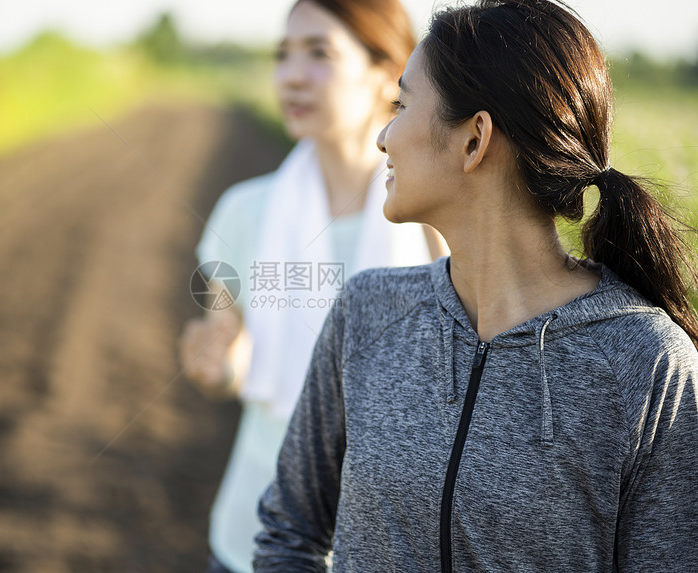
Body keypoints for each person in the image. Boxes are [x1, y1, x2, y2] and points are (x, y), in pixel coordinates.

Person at [254, 0, 698, 570]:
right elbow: (289, 531)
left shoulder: (648, 364)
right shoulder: (367, 312)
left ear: (474, 139)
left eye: (402, 104)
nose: (383, 137)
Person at [178, 1, 447, 571]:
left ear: (385, 74)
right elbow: (230, 345)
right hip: (254, 531)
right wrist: (219, 366)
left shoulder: (438, 217)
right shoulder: (242, 212)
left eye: (319, 53)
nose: (291, 75)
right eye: (283, 55)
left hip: (395, 543)